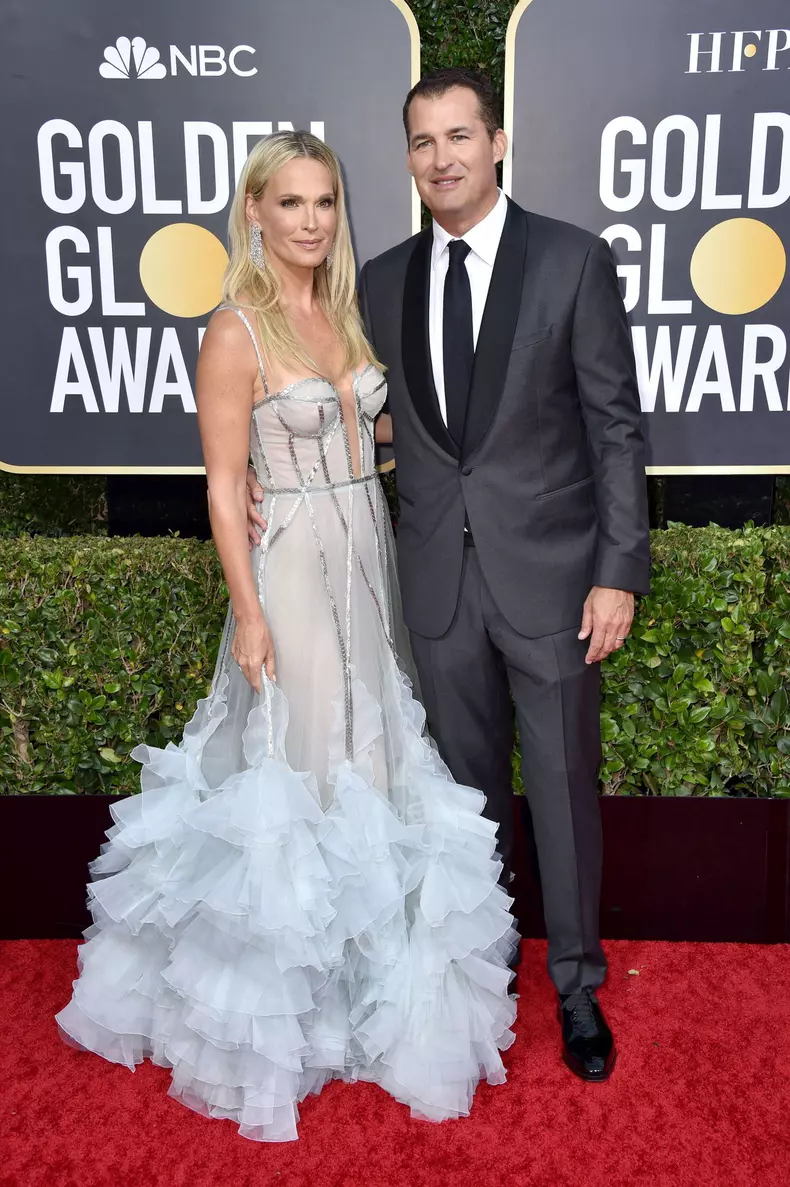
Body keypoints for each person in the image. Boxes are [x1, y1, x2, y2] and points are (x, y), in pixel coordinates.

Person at [55, 131, 518, 1143]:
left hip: (369, 559)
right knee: (300, 761)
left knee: (375, 752)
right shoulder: (235, 330)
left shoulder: (344, 313)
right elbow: (225, 486)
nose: (311, 220)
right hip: (293, 569)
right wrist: (251, 612)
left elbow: (373, 428)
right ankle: (280, 1014)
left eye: (325, 201)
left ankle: (366, 986)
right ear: (255, 213)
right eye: (291, 202)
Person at [246, 69, 652, 1084]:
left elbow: (614, 427)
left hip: (554, 581)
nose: (443, 158)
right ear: (408, 158)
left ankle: (575, 983)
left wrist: (617, 570)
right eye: (423, 142)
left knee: (561, 788)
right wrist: (260, 474)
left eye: (460, 136)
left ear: (497, 142)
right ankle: (481, 966)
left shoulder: (571, 259)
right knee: (464, 798)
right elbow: (344, 405)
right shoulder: (378, 281)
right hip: (433, 583)